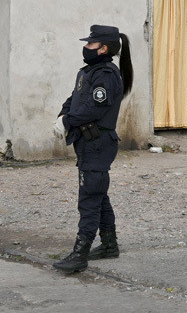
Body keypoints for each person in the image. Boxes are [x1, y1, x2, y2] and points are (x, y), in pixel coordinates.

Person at [52, 24, 133, 273]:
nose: (86, 47)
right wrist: (64, 113)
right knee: (98, 194)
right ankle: (109, 245)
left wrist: (68, 121)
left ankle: (80, 254)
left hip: (98, 144)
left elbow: (93, 109)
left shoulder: (106, 75)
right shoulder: (89, 72)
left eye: (90, 43)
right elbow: (75, 98)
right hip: (88, 143)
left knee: (89, 199)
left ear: (103, 48)